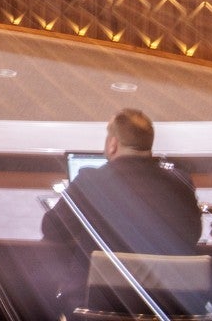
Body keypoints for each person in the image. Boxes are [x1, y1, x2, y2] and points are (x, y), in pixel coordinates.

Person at [41, 109, 200, 284]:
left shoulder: (91, 182)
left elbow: (52, 229)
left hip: (99, 304)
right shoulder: (181, 182)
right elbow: (193, 235)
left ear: (113, 144)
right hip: (173, 307)